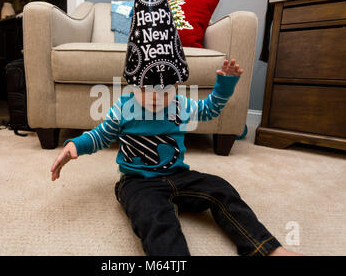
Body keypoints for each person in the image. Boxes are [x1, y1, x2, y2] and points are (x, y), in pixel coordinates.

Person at [50, 59, 301, 256]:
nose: (158, 96)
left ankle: (266, 248)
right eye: (149, 89)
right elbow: (101, 135)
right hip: (138, 182)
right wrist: (75, 145)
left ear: (177, 87)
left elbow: (209, 109)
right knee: (155, 218)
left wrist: (224, 85)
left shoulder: (180, 105)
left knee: (221, 189)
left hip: (179, 175)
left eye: (167, 90)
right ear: (133, 86)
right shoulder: (123, 108)